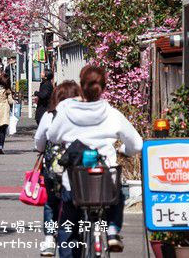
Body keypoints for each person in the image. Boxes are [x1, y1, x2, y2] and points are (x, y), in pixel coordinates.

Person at [46, 65, 143, 256]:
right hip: (105, 183)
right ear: (103, 88)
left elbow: (52, 136)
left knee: (68, 227)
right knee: (118, 196)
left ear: (81, 87)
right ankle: (113, 230)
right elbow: (137, 144)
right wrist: (124, 150)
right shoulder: (113, 114)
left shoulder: (66, 112)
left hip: (74, 184)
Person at [34, 80, 81, 256]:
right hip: (79, 167)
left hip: (54, 169)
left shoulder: (50, 115)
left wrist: (41, 149)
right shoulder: (83, 115)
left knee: (51, 203)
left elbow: (39, 141)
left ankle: (48, 239)